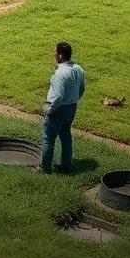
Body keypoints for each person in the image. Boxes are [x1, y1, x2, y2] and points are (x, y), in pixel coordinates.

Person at [40, 41, 85, 174]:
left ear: (60, 56)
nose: (54, 54)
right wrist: (74, 99)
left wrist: (51, 109)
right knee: (66, 136)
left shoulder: (60, 73)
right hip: (72, 108)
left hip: (58, 109)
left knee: (48, 139)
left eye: (55, 52)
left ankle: (45, 168)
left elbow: (58, 96)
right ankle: (66, 166)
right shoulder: (78, 69)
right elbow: (82, 89)